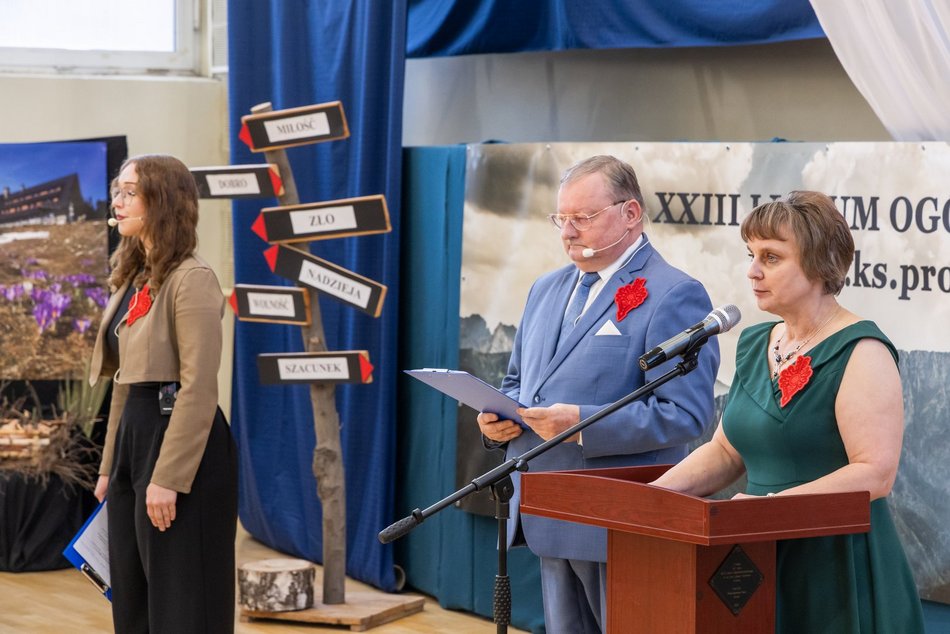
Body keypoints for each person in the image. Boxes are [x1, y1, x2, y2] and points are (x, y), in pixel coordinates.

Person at [651, 191, 924, 632]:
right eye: (751, 255)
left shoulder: (862, 350)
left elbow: (875, 472)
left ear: (819, 265)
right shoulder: (756, 342)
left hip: (834, 564)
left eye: (771, 258)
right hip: (756, 553)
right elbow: (725, 451)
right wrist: (653, 497)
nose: (752, 271)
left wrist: (768, 509)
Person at [477, 155, 720, 633]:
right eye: (560, 219)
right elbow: (518, 384)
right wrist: (496, 421)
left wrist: (582, 426)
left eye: (583, 218)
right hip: (546, 508)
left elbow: (687, 414)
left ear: (631, 214)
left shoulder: (675, 294)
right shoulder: (545, 289)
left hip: (619, 519)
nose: (568, 231)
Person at [89, 154, 238, 633]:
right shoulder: (134, 278)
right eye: (119, 189)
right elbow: (122, 380)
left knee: (182, 599)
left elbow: (198, 386)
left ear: (164, 201)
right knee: (131, 598)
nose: (119, 200)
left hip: (178, 440)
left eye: (131, 191)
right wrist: (111, 466)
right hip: (136, 436)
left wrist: (168, 476)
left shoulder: (192, 279)